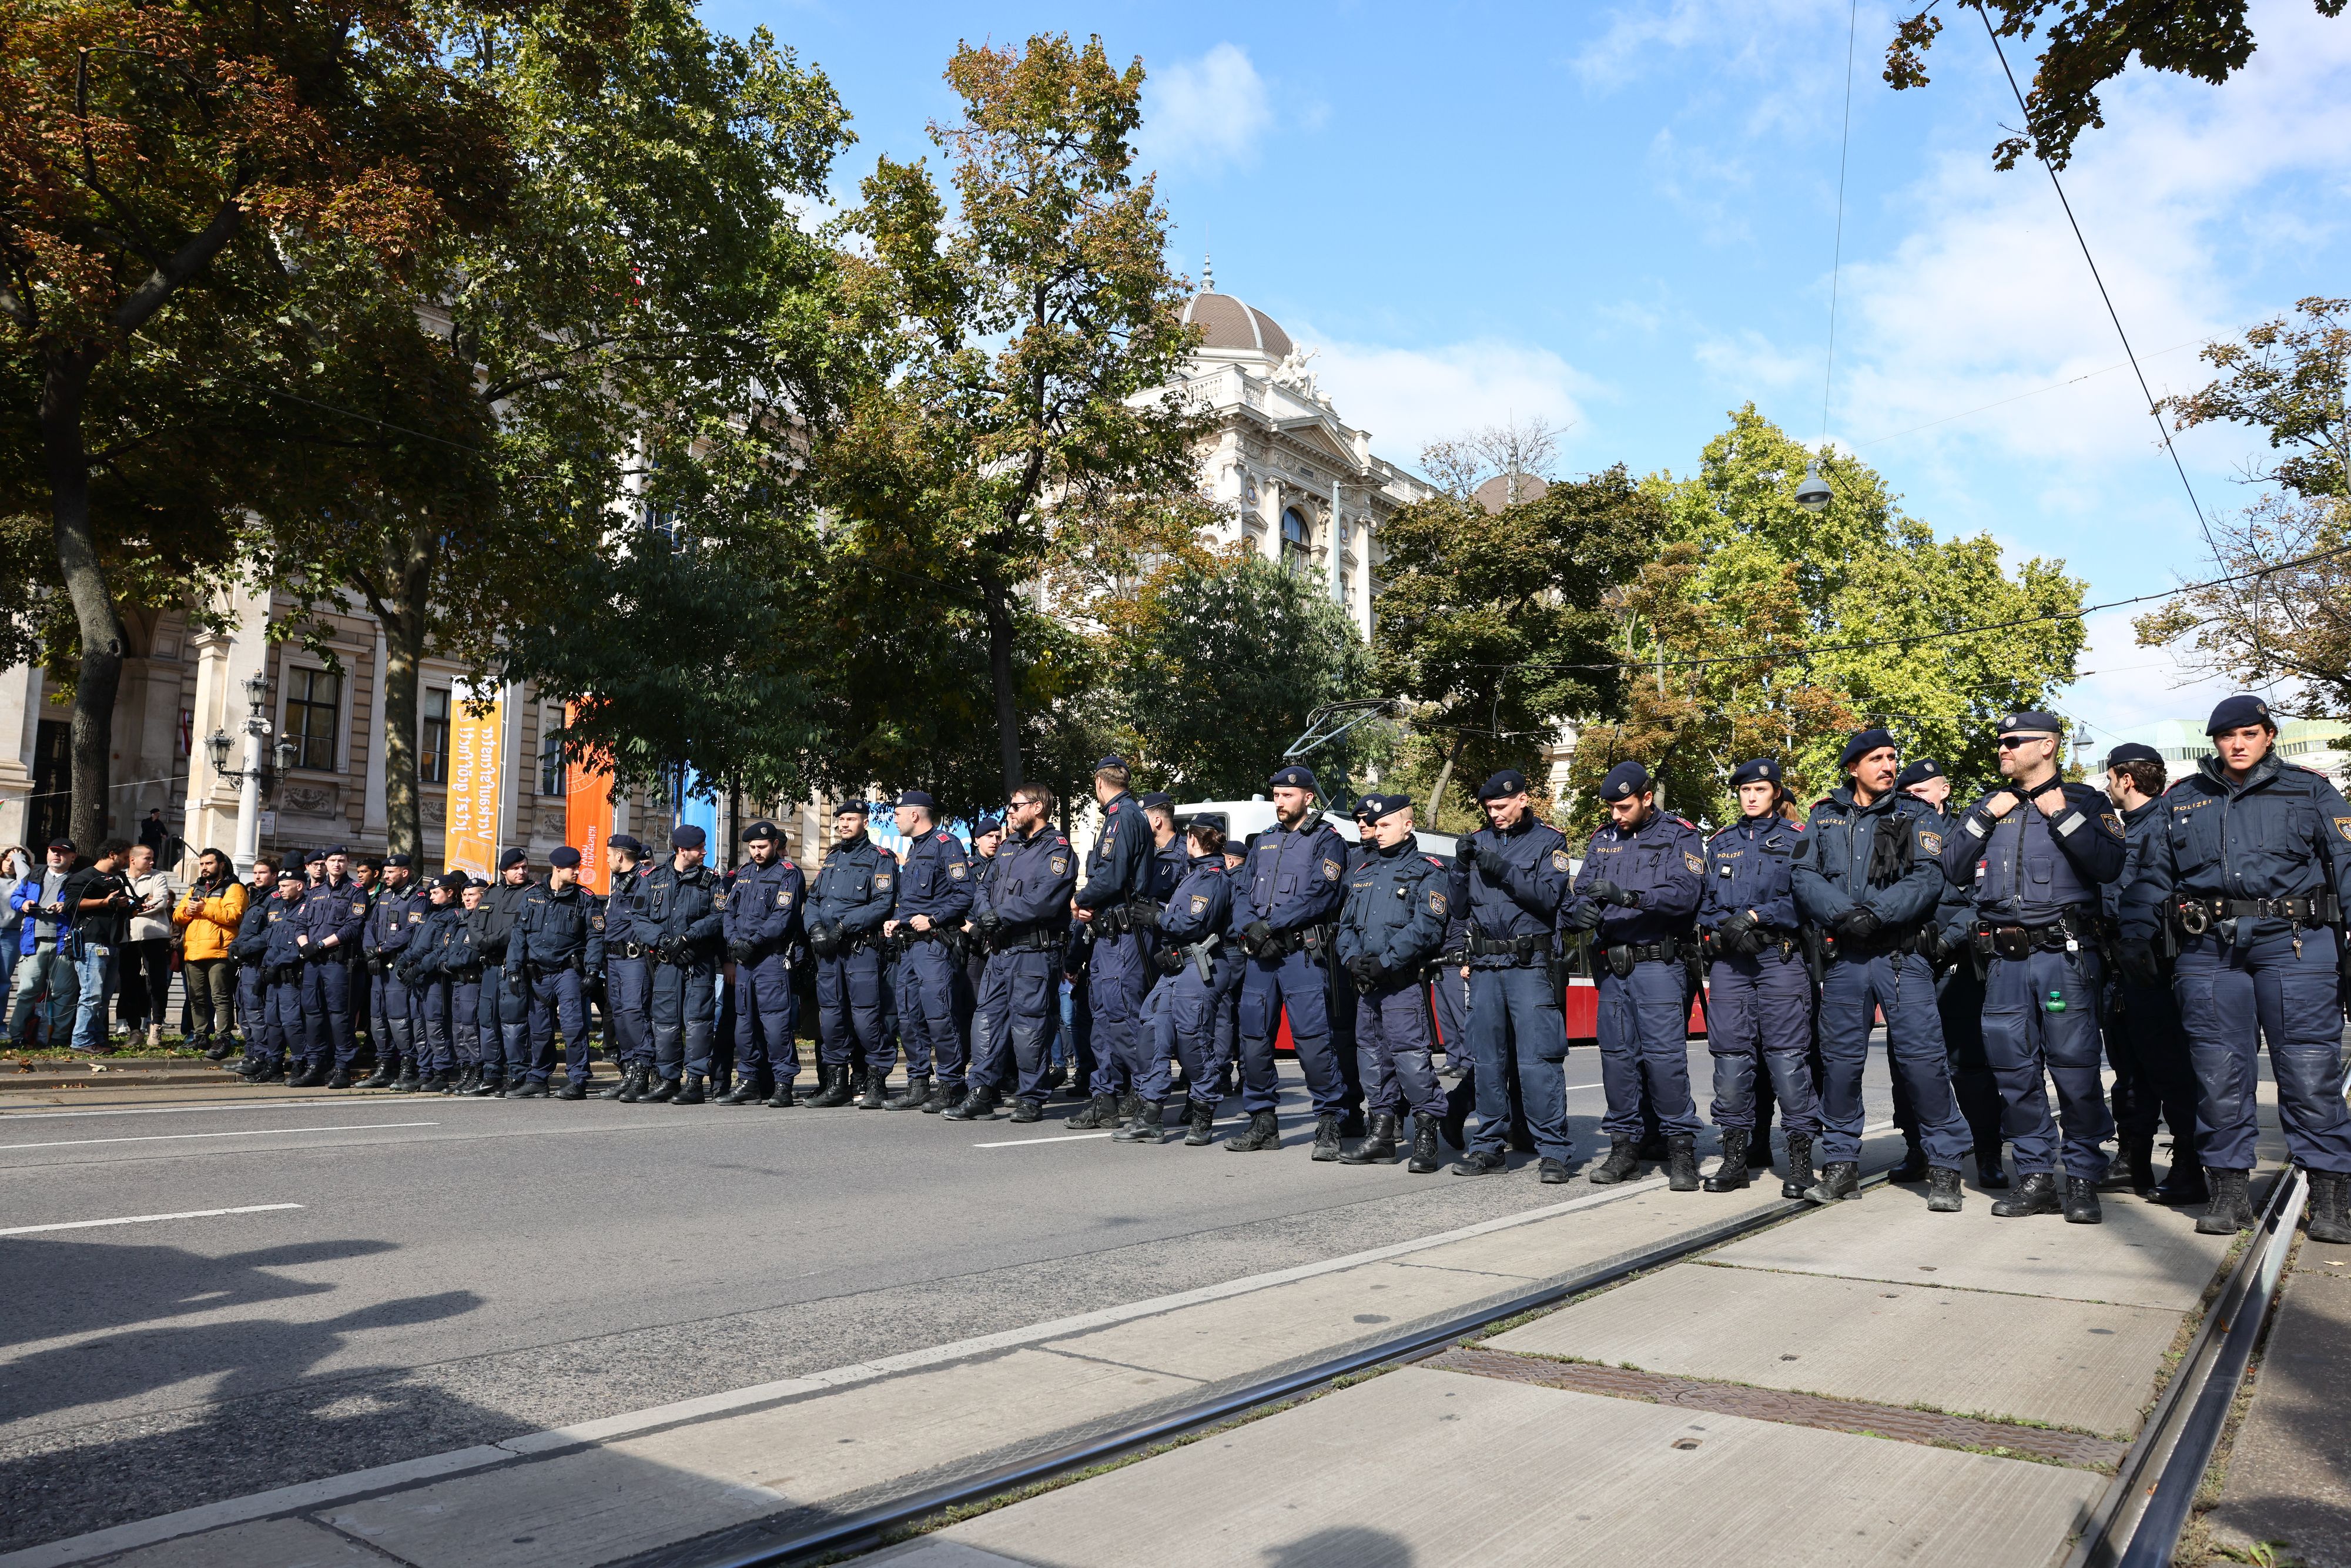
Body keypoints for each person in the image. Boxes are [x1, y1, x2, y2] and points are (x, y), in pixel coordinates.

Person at [2118, 695, 2351, 1242]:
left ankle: (2332, 1198)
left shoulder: (2310, 789)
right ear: (2215, 742)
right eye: (2228, 737)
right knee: (2218, 1074)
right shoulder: (2185, 799)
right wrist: (2135, 935)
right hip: (2210, 951)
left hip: (2296, 945)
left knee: (2310, 1072)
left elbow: (2347, 863)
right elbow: (2153, 876)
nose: (2238, 744)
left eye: (2249, 734)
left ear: (2269, 735)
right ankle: (2227, 1194)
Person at [1940, 711, 2128, 1224]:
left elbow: (2110, 866)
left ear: (2046, 746)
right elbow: (1951, 869)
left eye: (2013, 741)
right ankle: (2036, 1177)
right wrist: (1983, 817)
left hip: (2064, 955)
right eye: (2000, 741)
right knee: (2014, 1072)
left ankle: (2084, 1177)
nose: (2002, 749)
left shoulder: (2087, 802)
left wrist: (2062, 815)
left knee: (2075, 1068)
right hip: (2005, 960)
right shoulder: (1989, 805)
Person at [1793, 728, 1972, 1211]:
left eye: (1893, 757)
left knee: (1923, 1064)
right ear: (1853, 767)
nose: (1889, 766)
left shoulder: (1915, 814)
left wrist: (1878, 913)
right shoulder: (1824, 816)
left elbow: (1929, 877)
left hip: (1900, 957)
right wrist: (1841, 914)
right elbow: (1803, 875)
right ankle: (1840, 1167)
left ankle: (1945, 1168)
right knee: (1841, 1066)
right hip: (1847, 959)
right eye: (1877, 758)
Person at [1559, 764, 1706, 1188]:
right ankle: (1625, 1148)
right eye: (1611, 808)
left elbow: (1686, 895)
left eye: (1624, 806)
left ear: (1646, 798)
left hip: (1659, 962)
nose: (1616, 816)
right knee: (1618, 1062)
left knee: (1664, 1062)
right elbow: (1579, 892)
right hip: (1613, 966)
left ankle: (1680, 1150)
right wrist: (1576, 913)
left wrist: (1629, 897)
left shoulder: (1680, 835)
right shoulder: (1602, 840)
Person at [1696, 758, 1821, 1198]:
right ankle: (1735, 1159)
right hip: (1732, 963)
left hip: (1779, 960)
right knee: (1730, 1061)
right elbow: (1704, 904)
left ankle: (1801, 1162)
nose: (1751, 797)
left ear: (1776, 794)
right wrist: (1727, 927)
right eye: (1745, 790)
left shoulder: (1798, 840)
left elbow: (1806, 901)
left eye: (1760, 790)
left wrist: (1754, 917)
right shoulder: (1721, 843)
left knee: (1787, 1060)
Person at [1449, 769, 1573, 1180]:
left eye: (1501, 806)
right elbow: (1459, 909)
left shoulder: (1550, 841)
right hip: (1485, 965)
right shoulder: (1478, 840)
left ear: (1522, 799)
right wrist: (1459, 867)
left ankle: (1553, 1150)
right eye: (1489, 808)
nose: (1494, 814)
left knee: (1538, 1060)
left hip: (1528, 965)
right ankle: (1488, 1147)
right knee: (1486, 1061)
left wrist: (1496, 865)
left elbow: (1548, 898)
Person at [1225, 766, 1354, 1156]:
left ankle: (1331, 1122)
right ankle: (1263, 1124)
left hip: (1301, 955)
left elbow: (1321, 896)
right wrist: (1253, 931)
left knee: (1314, 1042)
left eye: (1287, 796)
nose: (1279, 803)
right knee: (1253, 1040)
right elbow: (1241, 894)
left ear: (1308, 797)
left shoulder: (1326, 840)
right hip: (1261, 957)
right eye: (1276, 796)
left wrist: (1270, 926)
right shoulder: (1264, 841)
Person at [2101, 742, 2203, 1205]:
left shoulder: (2163, 822)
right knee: (2129, 1072)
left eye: (2109, 778)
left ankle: (2188, 1166)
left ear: (2126, 778)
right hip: (2120, 966)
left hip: (2155, 967)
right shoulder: (2122, 829)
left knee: (2170, 1071)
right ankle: (2133, 1158)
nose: (2106, 786)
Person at [1900, 758, 2010, 1189]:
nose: (1915, 802)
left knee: (1969, 1066)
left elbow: (1982, 895)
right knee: (1909, 1063)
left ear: (1944, 791)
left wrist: (1948, 940)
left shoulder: (1969, 833)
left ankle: (1987, 1153)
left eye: (1922, 792)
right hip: (1910, 962)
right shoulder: (1895, 832)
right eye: (1909, 795)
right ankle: (1917, 1149)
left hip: (1958, 962)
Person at [1333, 796, 1452, 1171]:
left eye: (1385, 825)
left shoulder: (1429, 871)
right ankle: (1382, 1137)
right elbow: (1346, 926)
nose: (1377, 832)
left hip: (1401, 983)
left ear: (1407, 825)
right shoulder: (1363, 870)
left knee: (1411, 1059)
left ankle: (1427, 1137)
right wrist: (1352, 960)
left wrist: (1385, 962)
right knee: (1371, 1059)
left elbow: (1427, 928)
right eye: (1375, 825)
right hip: (1366, 985)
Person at [950, 785, 1076, 1121]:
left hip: (1034, 953)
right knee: (986, 1022)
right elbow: (982, 888)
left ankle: (1031, 1096)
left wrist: (1000, 915)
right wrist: (986, 913)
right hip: (999, 953)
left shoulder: (1057, 849)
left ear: (1037, 807)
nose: (1010, 810)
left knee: (1029, 1027)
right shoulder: (1008, 848)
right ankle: (980, 1092)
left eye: (1016, 805)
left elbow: (1044, 899)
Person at [1135, 818, 1234, 1146]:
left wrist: (1158, 918)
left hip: (1198, 966)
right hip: (1176, 968)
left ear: (1193, 840)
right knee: (1152, 1028)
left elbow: (1194, 922)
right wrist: (1157, 909)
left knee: (1192, 1041)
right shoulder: (1195, 875)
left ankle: (1203, 1112)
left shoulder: (1212, 877)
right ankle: (1150, 1114)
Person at [1069, 759, 1154, 1133]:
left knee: (1123, 1016)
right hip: (1107, 934)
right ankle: (1105, 1095)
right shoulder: (1119, 816)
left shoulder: (1123, 817)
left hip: (1123, 934)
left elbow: (1114, 876)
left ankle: (1145, 1093)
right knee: (1103, 1015)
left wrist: (1082, 898)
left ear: (1100, 783)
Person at [878, 795, 969, 1113]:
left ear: (915, 814)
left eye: (897, 813)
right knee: (909, 1017)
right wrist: (898, 920)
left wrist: (934, 919)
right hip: (909, 948)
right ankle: (918, 1084)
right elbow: (915, 901)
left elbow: (964, 895)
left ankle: (951, 1084)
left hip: (934, 945)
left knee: (939, 1016)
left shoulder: (947, 844)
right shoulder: (915, 849)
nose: (895, 819)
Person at [805, 803, 896, 1107]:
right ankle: (836, 1085)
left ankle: (875, 1082)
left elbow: (883, 903)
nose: (844, 824)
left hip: (860, 950)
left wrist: (844, 927)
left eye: (851, 819)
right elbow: (814, 899)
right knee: (831, 1018)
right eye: (841, 819)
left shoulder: (879, 859)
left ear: (865, 822)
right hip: (829, 953)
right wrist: (816, 929)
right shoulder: (831, 858)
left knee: (867, 1018)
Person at [633, 824, 726, 1103]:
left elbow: (719, 917)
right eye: (699, 848)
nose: (704, 852)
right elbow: (639, 919)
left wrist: (687, 938)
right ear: (682, 850)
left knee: (698, 1022)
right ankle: (669, 1080)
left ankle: (694, 1083)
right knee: (665, 1023)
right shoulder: (653, 878)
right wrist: (665, 943)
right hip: (666, 964)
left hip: (698, 963)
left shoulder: (711, 880)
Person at [504, 845, 605, 1098]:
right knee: (539, 1031)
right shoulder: (532, 895)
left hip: (567, 973)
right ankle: (538, 1079)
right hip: (538, 974)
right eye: (573, 868)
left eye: (578, 867)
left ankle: (578, 1080)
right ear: (557, 868)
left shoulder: (585, 898)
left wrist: (592, 971)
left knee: (573, 1028)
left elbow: (595, 938)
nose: (577, 872)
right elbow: (519, 935)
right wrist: (514, 969)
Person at [722, 819, 806, 1107]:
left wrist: (753, 942)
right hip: (745, 961)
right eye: (753, 847)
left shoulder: (788, 874)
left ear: (775, 845)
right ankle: (749, 1081)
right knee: (744, 1024)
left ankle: (783, 1083)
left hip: (771, 957)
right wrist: (734, 943)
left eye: (762, 846)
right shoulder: (744, 873)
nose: (757, 852)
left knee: (776, 1024)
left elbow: (783, 917)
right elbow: (728, 913)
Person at [291, 846, 369, 1087]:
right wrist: (305, 946)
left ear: (348, 863)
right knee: (313, 1015)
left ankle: (342, 1066)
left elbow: (352, 928)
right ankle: (316, 1064)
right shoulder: (316, 892)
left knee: (339, 1016)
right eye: (333, 860)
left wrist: (321, 945)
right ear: (325, 863)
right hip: (313, 961)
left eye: (342, 860)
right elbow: (300, 924)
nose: (337, 864)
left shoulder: (356, 891)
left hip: (337, 962)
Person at [359, 856, 425, 1089]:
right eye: (385, 872)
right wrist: (371, 951)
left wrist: (381, 950)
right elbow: (369, 925)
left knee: (400, 1019)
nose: (385, 876)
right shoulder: (384, 896)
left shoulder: (417, 898)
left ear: (404, 873)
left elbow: (411, 931)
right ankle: (385, 1065)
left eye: (390, 872)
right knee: (378, 1018)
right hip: (378, 966)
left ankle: (408, 1067)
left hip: (398, 966)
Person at [174, 849, 247, 1058]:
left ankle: (223, 1037)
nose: (204, 868)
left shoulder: (234, 888)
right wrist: (189, 911)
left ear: (222, 865)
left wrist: (204, 908)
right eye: (202, 864)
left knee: (221, 998)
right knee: (196, 998)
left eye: (209, 863)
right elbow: (178, 916)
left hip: (219, 951)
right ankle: (200, 1036)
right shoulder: (195, 888)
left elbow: (234, 916)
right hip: (193, 951)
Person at [7, 842, 81, 1049]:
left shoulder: (77, 880)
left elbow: (82, 904)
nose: (56, 856)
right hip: (34, 942)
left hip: (63, 943)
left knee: (64, 992)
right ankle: (18, 1036)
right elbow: (16, 897)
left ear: (72, 857)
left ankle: (58, 1037)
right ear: (47, 853)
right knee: (27, 990)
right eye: (53, 852)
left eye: (62, 853)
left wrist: (66, 906)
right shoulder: (34, 875)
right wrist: (23, 904)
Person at [64, 840, 135, 1056]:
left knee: (103, 997)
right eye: (124, 857)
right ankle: (81, 1039)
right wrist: (104, 902)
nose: (126, 862)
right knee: (91, 994)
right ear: (112, 855)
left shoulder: (117, 880)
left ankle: (96, 1037)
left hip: (112, 942)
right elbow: (71, 905)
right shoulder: (84, 877)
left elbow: (117, 906)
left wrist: (131, 908)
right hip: (90, 942)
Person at [600, 835, 656, 1102]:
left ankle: (644, 1073)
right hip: (614, 961)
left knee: (635, 1014)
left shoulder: (645, 879)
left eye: (609, 855)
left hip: (634, 959)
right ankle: (629, 1070)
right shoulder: (620, 884)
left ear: (620, 856)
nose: (608, 859)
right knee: (620, 1016)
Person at [474, 849, 533, 1094]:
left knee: (514, 1023)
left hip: (512, 967)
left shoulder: (532, 894)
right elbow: (474, 922)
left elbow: (518, 927)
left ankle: (518, 1075)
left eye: (524, 867)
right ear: (504, 871)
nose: (521, 872)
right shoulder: (491, 892)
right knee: (488, 1021)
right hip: (490, 966)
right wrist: (481, 940)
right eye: (516, 868)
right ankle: (492, 1074)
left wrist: (490, 940)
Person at [398, 872, 463, 1093]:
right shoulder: (429, 915)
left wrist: (417, 968)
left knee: (436, 1026)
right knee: (420, 1027)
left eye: (436, 893)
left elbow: (440, 951)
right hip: (419, 979)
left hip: (435, 979)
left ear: (450, 893)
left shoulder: (453, 916)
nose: (431, 897)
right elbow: (414, 946)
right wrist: (402, 962)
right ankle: (424, 1071)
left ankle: (441, 1072)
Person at [226, 857, 281, 1080]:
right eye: (256, 873)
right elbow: (246, 931)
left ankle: (262, 1057)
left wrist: (245, 948)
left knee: (256, 1012)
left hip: (259, 963)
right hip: (246, 964)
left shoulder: (275, 899)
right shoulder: (256, 897)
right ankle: (251, 1055)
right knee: (245, 1012)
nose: (257, 876)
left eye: (263, 873)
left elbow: (270, 934)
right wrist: (234, 947)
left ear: (274, 875)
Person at [116, 842, 176, 1047]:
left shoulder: (158, 876)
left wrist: (134, 908)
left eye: (152, 858)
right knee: (129, 984)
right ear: (132, 859)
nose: (152, 862)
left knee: (158, 984)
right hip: (129, 938)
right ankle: (135, 1030)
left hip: (155, 937)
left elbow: (161, 901)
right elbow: (120, 903)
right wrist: (142, 904)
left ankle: (156, 1028)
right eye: (147, 858)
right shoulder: (120, 878)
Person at [262, 869, 312, 1084]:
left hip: (291, 977)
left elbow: (301, 946)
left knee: (292, 1023)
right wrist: (266, 966)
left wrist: (279, 963)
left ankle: (300, 1063)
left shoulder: (307, 908)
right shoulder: (279, 908)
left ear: (299, 886)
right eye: (279, 885)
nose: (280, 889)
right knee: (272, 1022)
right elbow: (270, 942)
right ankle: (274, 1066)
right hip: (273, 977)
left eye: (285, 886)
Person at [0, 845, 27, 1040]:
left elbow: (26, 877)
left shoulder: (20, 884)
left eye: (15, 861)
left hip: (10, 935)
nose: (10, 864)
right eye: (8, 859)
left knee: (3, 981)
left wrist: (19, 859)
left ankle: (0, 1024)